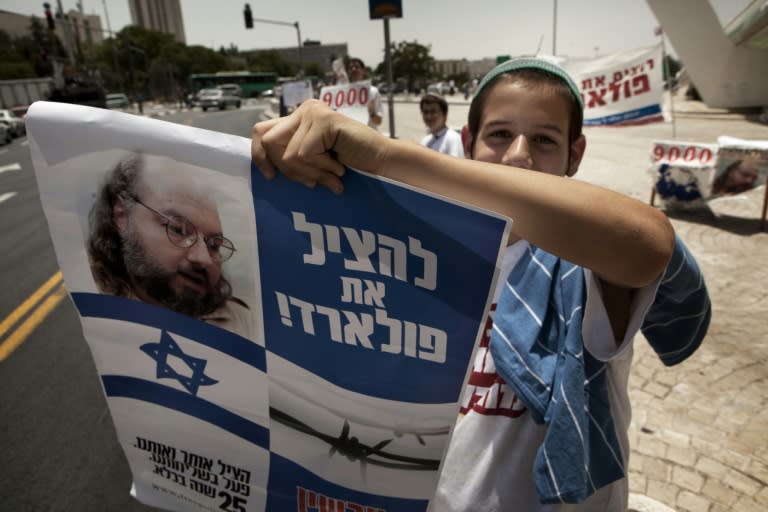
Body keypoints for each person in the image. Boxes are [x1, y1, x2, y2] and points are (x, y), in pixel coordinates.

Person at [251, 57, 710, 511]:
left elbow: (648, 245)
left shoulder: (582, 263)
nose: (518, 155)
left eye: (545, 140)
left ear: (576, 154)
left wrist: (387, 156)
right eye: (500, 135)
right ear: (469, 142)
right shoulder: (410, 253)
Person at [87, 152, 255, 340]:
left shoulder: (243, 322)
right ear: (122, 214)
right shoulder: (92, 311)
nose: (204, 258)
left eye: (214, 246)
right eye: (179, 230)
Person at [419, 93, 464, 158]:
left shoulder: (453, 139)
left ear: (445, 114)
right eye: (425, 112)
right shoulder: (425, 141)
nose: (429, 116)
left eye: (433, 111)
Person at [347, 57, 383, 130]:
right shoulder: (344, 93)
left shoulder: (373, 91)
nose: (353, 69)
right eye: (351, 68)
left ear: (363, 71)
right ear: (348, 72)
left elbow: (379, 121)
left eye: (357, 67)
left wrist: (372, 112)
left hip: (370, 138)